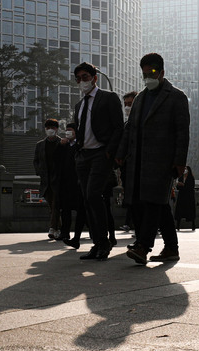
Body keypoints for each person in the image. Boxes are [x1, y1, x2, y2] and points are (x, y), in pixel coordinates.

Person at [115, 53, 189, 265]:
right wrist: (121, 153)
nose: (148, 77)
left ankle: (143, 246)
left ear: (162, 72)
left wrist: (179, 162)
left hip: (162, 161)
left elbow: (182, 133)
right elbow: (129, 128)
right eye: (145, 74)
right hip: (138, 161)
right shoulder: (140, 98)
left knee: (152, 203)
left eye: (152, 73)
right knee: (155, 204)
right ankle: (171, 248)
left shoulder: (176, 97)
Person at [72, 62, 124, 261]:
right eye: (78, 78)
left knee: (94, 195)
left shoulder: (108, 98)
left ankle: (104, 242)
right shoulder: (79, 105)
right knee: (87, 199)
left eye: (85, 77)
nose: (82, 81)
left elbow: (118, 127)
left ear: (95, 78)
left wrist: (110, 153)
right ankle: (97, 243)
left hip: (101, 154)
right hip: (83, 156)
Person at [59, 123, 88, 249]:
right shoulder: (63, 145)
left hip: (78, 181)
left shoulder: (79, 145)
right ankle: (65, 233)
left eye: (70, 130)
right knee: (65, 209)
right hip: (65, 182)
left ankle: (92, 232)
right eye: (66, 130)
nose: (67, 133)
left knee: (81, 209)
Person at [33, 118, 62, 240]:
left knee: (56, 204)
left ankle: (52, 228)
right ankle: (58, 228)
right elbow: (36, 161)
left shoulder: (62, 143)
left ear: (57, 129)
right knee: (52, 206)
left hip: (59, 179)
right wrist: (39, 172)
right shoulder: (40, 145)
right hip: (46, 180)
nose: (50, 130)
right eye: (48, 128)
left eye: (53, 128)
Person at [119, 91, 138, 233]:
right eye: (125, 104)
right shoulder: (126, 124)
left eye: (130, 104)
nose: (127, 107)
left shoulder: (143, 123)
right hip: (127, 169)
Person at [174, 166, 196, 231]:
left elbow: (191, 187)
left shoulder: (191, 178)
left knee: (190, 212)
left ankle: (193, 225)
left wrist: (183, 185)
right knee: (180, 212)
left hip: (189, 197)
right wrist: (178, 185)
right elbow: (178, 187)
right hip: (182, 197)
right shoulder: (181, 177)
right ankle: (178, 225)